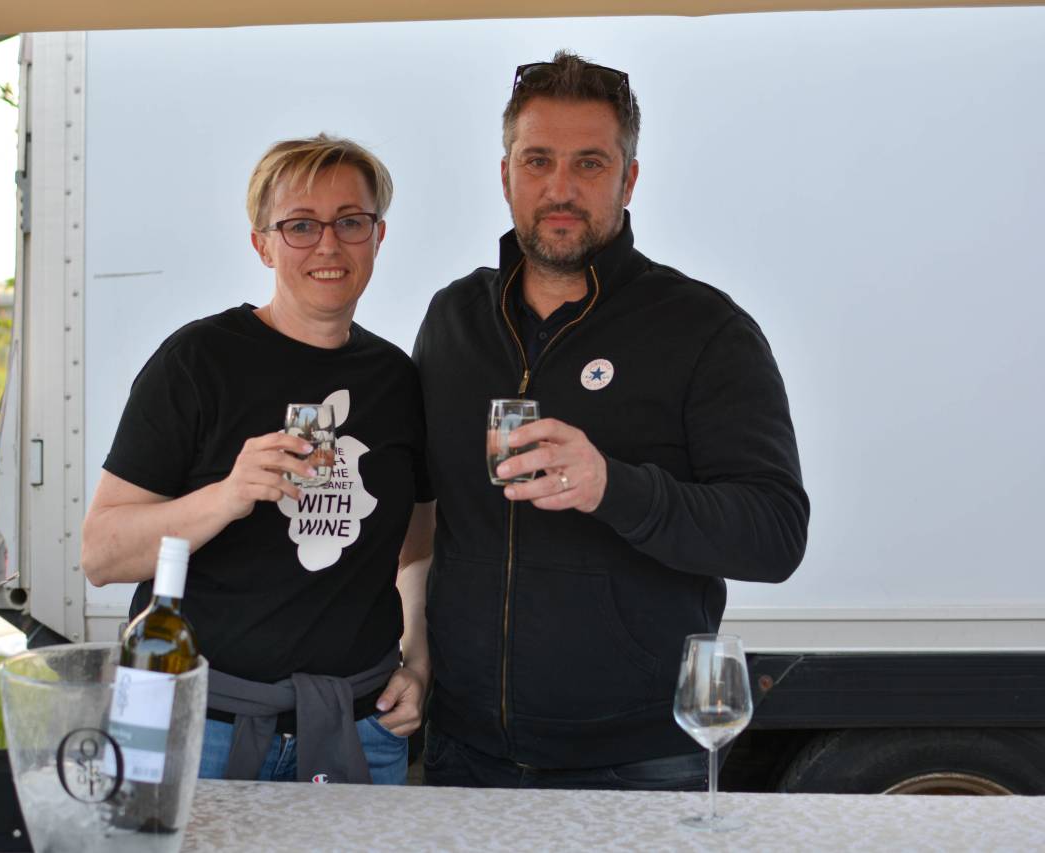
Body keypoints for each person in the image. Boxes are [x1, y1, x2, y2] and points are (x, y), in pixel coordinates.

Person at [411, 51, 809, 789]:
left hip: (639, 761)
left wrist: (612, 488)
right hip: (464, 750)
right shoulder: (453, 319)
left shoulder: (704, 329)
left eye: (589, 164)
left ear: (629, 180)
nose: (560, 188)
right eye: (538, 160)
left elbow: (776, 534)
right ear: (505, 175)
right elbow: (422, 505)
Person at [81, 134, 433, 785]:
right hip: (199, 725)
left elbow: (416, 547)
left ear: (378, 236)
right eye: (300, 225)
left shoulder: (396, 379)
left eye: (350, 221)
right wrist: (227, 495)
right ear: (262, 244)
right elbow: (101, 554)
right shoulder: (198, 362)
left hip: (359, 724)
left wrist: (418, 660)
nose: (327, 245)